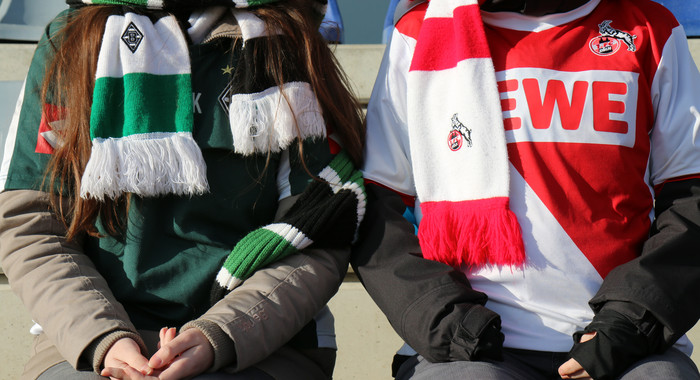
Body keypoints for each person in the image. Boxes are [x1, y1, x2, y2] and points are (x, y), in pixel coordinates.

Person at [0, 0, 366, 379]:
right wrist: (103, 338)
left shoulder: (285, 40)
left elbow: (318, 232)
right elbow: (33, 226)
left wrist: (220, 335)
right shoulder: (74, 40)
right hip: (90, 343)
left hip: (258, 347)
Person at [353, 0, 700, 379]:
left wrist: (631, 323)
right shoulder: (418, 33)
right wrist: (445, 321)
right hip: (470, 348)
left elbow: (691, 199)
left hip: (626, 343)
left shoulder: (650, 28)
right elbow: (377, 209)